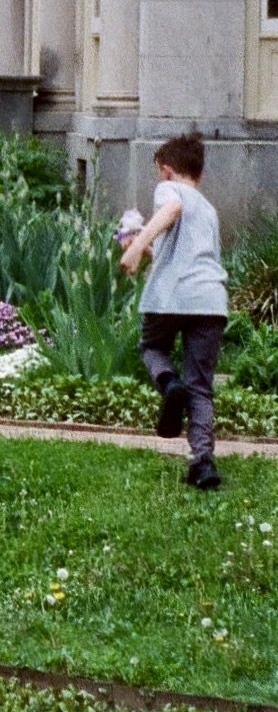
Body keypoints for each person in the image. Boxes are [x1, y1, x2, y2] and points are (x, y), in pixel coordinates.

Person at [119, 131, 229, 489]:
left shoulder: (170, 191)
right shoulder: (209, 209)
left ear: (166, 171)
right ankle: (202, 462)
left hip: (169, 296)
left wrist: (137, 246)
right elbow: (185, 251)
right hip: (209, 300)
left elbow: (172, 208)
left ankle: (168, 384)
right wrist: (150, 249)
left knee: (153, 348)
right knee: (201, 386)